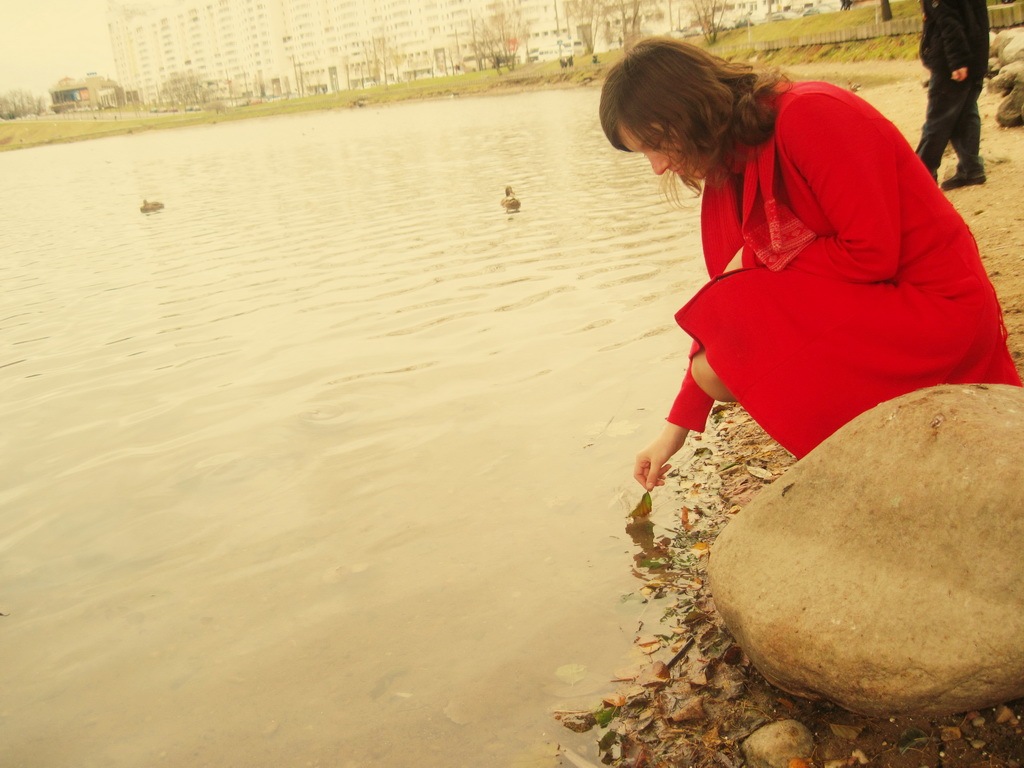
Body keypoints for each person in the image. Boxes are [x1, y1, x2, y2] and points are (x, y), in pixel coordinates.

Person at [598, 37, 1022, 492]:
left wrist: (760, 254)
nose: (658, 167)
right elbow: (725, 306)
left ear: (689, 111)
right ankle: (870, 442)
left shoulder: (811, 113)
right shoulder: (732, 161)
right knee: (720, 352)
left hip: (936, 305)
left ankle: (871, 449)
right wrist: (674, 430)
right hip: (880, 300)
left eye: (656, 145)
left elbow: (871, 253)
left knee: (725, 353)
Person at [915, 0, 990, 189]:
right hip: (976, 54)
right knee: (966, 113)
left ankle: (920, 175)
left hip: (953, 62)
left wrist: (957, 61)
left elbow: (948, 21)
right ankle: (971, 169)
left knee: (938, 117)